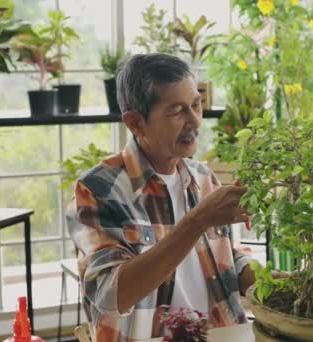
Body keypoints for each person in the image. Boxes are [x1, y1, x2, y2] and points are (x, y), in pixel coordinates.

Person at [66, 53, 255, 341]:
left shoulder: (203, 178)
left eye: (196, 105)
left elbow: (223, 254)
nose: (195, 121)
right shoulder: (97, 190)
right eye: (177, 111)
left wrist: (265, 280)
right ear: (135, 123)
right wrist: (198, 220)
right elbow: (112, 294)